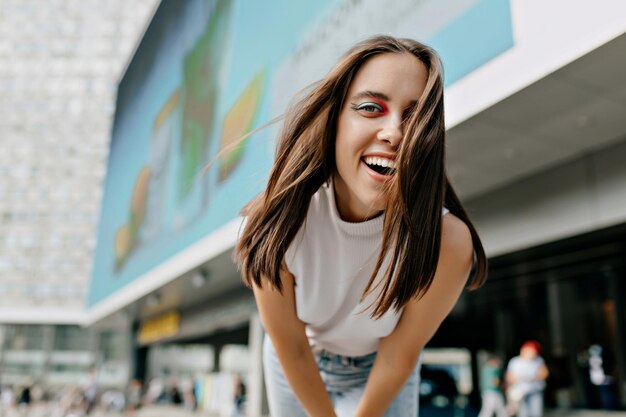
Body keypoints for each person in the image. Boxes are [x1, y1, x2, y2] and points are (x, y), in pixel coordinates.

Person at [235, 35, 487, 417]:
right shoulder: (274, 223)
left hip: (382, 369)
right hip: (298, 362)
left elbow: (398, 354)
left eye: (414, 117)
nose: (395, 133)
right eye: (371, 108)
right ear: (335, 120)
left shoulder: (447, 241)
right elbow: (292, 348)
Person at [506, 340, 549, 417]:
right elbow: (509, 377)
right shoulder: (515, 361)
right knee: (524, 414)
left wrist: (533, 377)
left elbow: (545, 374)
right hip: (520, 392)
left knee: (536, 413)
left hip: (535, 390)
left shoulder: (538, 360)